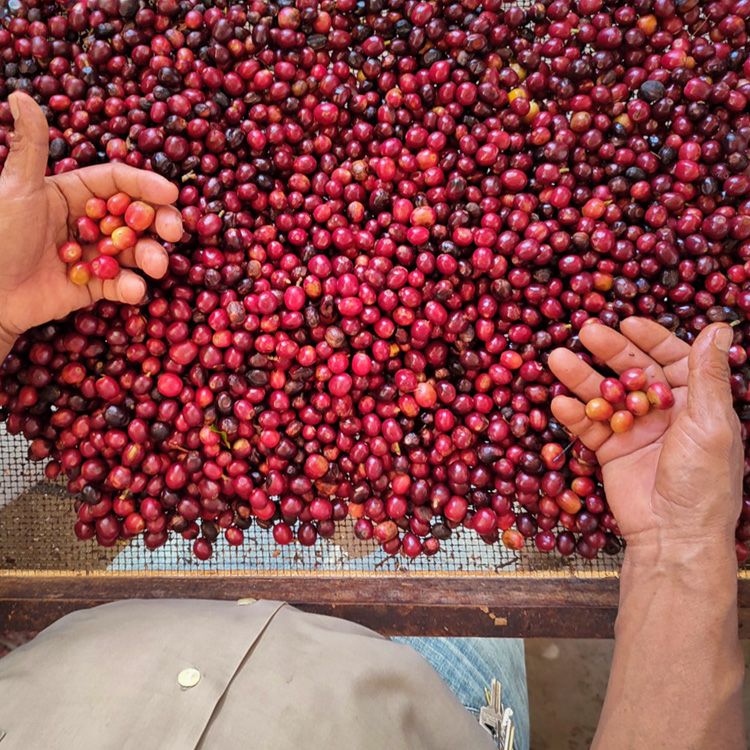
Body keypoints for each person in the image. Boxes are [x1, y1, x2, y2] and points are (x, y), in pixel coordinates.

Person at [0, 91, 745, 749]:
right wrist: (679, 552)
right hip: (431, 670)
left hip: (134, 614)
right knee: (425, 552)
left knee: (274, 518)